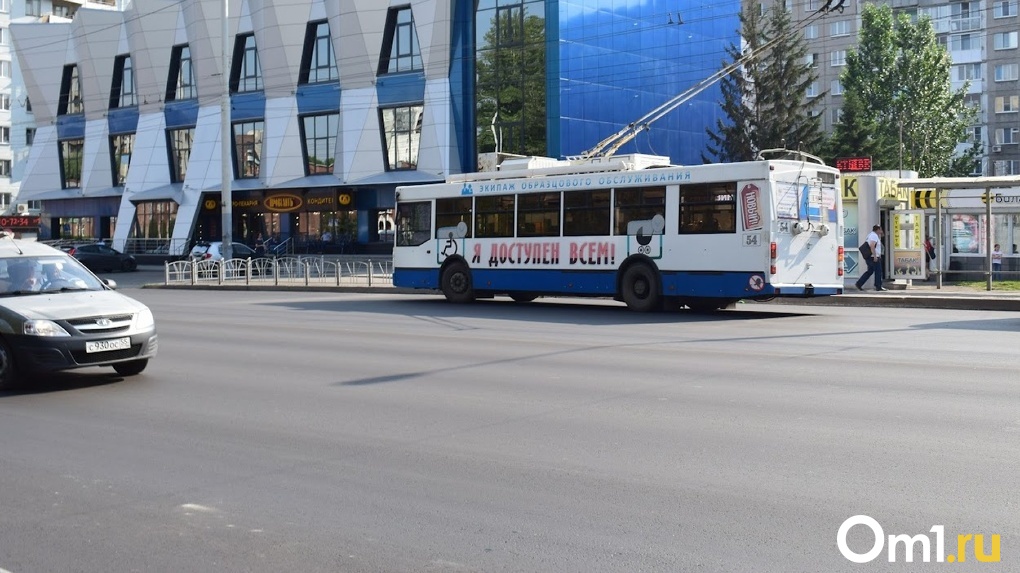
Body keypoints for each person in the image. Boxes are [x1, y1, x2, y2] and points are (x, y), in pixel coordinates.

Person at [855, 225, 886, 291]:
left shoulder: (872, 235)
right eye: (880, 230)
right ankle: (878, 286)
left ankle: (859, 283)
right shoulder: (873, 236)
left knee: (870, 271)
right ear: (877, 230)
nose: (881, 231)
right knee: (878, 271)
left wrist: (881, 233)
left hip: (871, 257)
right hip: (873, 257)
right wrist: (875, 256)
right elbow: (872, 246)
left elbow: (882, 236)